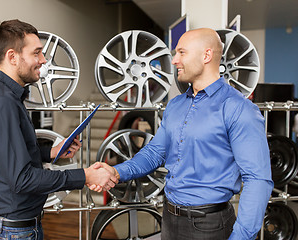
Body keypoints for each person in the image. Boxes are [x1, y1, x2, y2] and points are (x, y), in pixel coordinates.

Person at [91, 28, 273, 240]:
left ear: (206, 55)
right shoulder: (176, 105)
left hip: (209, 224)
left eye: (181, 53)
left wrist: (241, 237)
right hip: (169, 219)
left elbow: (258, 180)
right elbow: (155, 152)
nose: (174, 60)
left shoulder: (238, 109)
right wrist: (116, 172)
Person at [0, 19, 117, 240]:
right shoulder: (1, 104)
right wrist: (85, 176)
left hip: (16, 228)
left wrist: (51, 152)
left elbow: (7, 157)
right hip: (13, 232)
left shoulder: (6, 96)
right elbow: (22, 179)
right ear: (12, 57)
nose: (43, 60)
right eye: (36, 53)